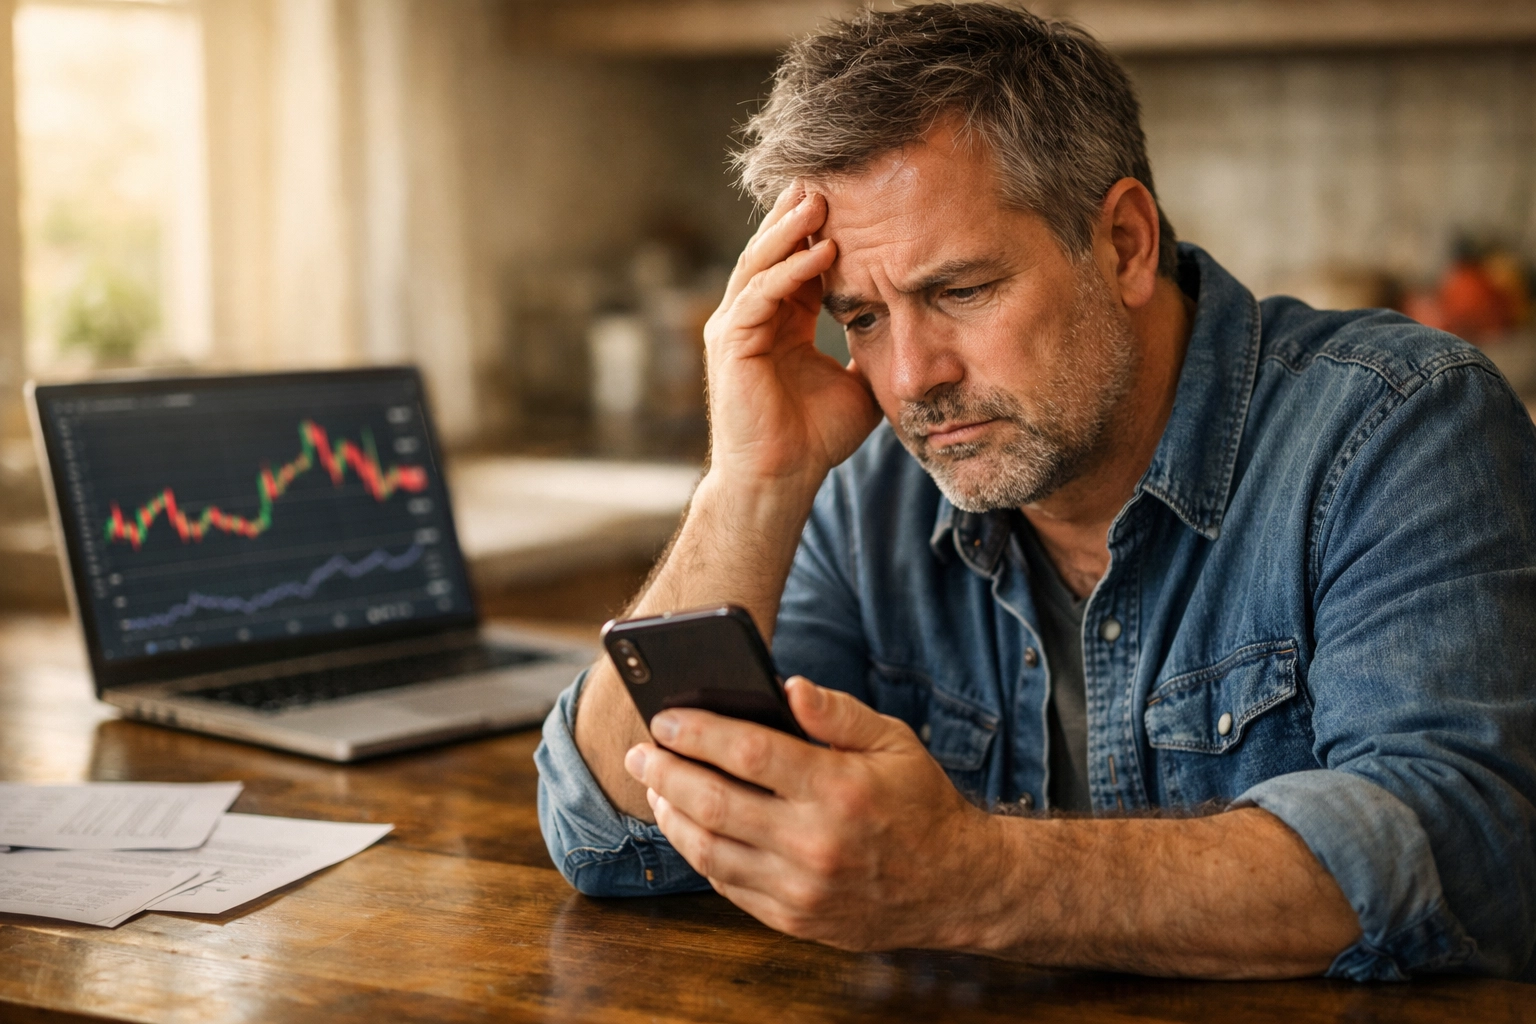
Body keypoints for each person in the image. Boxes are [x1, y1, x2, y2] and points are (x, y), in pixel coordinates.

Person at [535, 3, 1536, 981]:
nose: (912, 375)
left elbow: (1465, 843)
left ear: (1125, 244)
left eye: (959, 291)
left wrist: (968, 878)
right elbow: (608, 833)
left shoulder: (1398, 425)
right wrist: (751, 481)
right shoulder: (870, 483)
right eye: (862, 316)